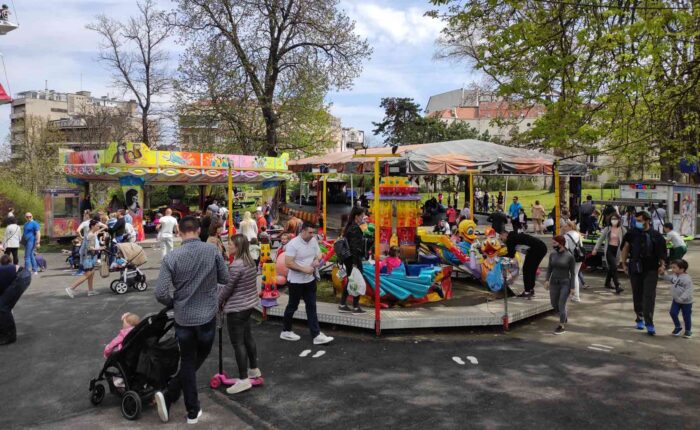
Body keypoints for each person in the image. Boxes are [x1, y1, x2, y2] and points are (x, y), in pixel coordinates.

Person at [154, 216, 229, 424]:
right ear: (198, 230)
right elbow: (225, 278)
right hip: (207, 316)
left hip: (184, 317)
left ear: (179, 232)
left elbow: (160, 292)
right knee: (197, 358)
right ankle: (180, 401)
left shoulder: (171, 257)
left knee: (188, 361)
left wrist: (173, 302)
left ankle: (184, 404)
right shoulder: (212, 250)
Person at [219, 234, 262, 394]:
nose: (228, 246)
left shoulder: (236, 265)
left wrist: (217, 302)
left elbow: (227, 289)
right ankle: (254, 369)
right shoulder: (250, 262)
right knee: (248, 337)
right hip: (249, 305)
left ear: (237, 247)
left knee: (238, 343)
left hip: (236, 308)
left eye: (230, 244)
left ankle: (243, 379)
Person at [281, 222, 334, 345]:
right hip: (296, 282)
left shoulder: (313, 240)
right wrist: (304, 269)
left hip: (309, 280)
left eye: (313, 232)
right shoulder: (293, 244)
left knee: (311, 306)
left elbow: (319, 253)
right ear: (303, 231)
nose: (312, 235)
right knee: (292, 306)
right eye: (310, 232)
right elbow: (288, 263)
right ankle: (286, 330)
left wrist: (317, 260)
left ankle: (316, 335)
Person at [620, 211, 667, 335]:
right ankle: (639, 317)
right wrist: (624, 264)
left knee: (649, 296)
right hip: (635, 267)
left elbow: (662, 252)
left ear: (647, 220)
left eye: (640, 220)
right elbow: (625, 248)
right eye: (636, 221)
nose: (637, 223)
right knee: (637, 293)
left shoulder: (656, 235)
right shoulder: (631, 234)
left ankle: (649, 322)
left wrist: (662, 265)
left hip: (651, 268)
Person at [499, 229, 548, 298]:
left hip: (536, 249)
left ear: (504, 235)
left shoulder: (510, 239)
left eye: (501, 238)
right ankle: (530, 289)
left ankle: (527, 291)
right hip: (542, 247)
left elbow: (511, 255)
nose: (502, 240)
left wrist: (499, 257)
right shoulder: (515, 236)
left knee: (527, 269)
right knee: (532, 269)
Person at [544, 236, 576, 334]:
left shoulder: (569, 256)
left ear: (561, 243)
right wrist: (546, 280)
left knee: (561, 304)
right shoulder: (552, 255)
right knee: (554, 304)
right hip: (554, 283)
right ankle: (564, 316)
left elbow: (573, 273)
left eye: (554, 243)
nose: (553, 245)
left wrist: (572, 287)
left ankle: (561, 325)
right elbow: (549, 268)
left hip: (565, 283)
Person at [338, 207, 366, 314]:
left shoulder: (349, 226)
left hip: (348, 258)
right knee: (357, 280)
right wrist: (355, 263)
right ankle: (355, 306)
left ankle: (343, 304)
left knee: (352, 280)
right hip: (353, 259)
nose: (363, 218)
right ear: (356, 216)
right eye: (362, 216)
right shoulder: (355, 229)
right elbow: (355, 247)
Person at [65, 220, 102, 298]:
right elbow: (90, 248)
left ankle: (91, 290)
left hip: (88, 256)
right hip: (88, 257)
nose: (99, 227)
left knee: (92, 272)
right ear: (92, 226)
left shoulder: (90, 233)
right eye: (97, 226)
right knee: (88, 273)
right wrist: (101, 248)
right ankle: (71, 288)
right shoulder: (90, 235)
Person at [592, 213, 626, 294]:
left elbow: (626, 241)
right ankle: (617, 286)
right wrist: (595, 249)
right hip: (609, 250)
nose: (614, 220)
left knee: (612, 268)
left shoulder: (622, 229)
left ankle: (607, 283)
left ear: (619, 220)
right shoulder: (607, 229)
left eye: (615, 219)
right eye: (612, 219)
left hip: (617, 250)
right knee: (614, 267)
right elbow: (600, 239)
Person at [0, 256, 30, 345]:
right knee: (2, 306)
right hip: (21, 275)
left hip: (22, 275)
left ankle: (9, 336)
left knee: (2, 307)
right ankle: (3, 332)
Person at [660, 259, 693, 338]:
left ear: (682, 269)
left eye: (674, 267)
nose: (672, 269)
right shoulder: (675, 276)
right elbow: (669, 278)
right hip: (676, 300)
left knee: (686, 316)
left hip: (686, 302)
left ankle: (688, 331)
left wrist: (682, 298)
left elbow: (689, 290)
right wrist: (662, 274)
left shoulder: (687, 278)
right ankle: (678, 327)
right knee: (673, 313)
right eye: (672, 267)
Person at [562, 221, 584, 302]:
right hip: (579, 257)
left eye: (565, 226)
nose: (564, 228)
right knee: (575, 275)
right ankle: (575, 295)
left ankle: (575, 296)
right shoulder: (578, 234)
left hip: (570, 258)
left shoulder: (566, 236)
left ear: (570, 227)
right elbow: (581, 246)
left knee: (571, 276)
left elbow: (565, 248)